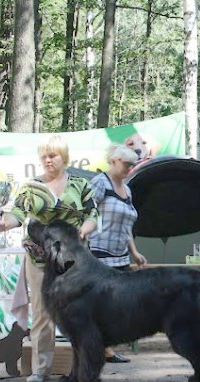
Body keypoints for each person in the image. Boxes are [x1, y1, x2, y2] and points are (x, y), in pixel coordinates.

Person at [0, 135, 98, 382]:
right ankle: (41, 367)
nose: (47, 160)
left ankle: (85, 366)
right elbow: (17, 214)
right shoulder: (30, 187)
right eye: (43, 156)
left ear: (64, 157)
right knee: (42, 312)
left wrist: (85, 229)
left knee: (79, 311)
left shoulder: (80, 185)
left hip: (74, 259)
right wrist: (2, 223)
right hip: (40, 259)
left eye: (52, 155)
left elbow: (93, 213)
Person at [83, 143, 147, 364]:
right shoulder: (100, 183)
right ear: (113, 161)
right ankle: (103, 349)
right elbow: (88, 212)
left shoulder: (127, 189)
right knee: (101, 304)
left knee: (116, 304)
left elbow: (126, 224)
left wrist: (135, 252)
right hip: (99, 253)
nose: (129, 169)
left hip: (120, 254)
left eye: (132, 165)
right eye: (126, 164)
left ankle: (105, 346)